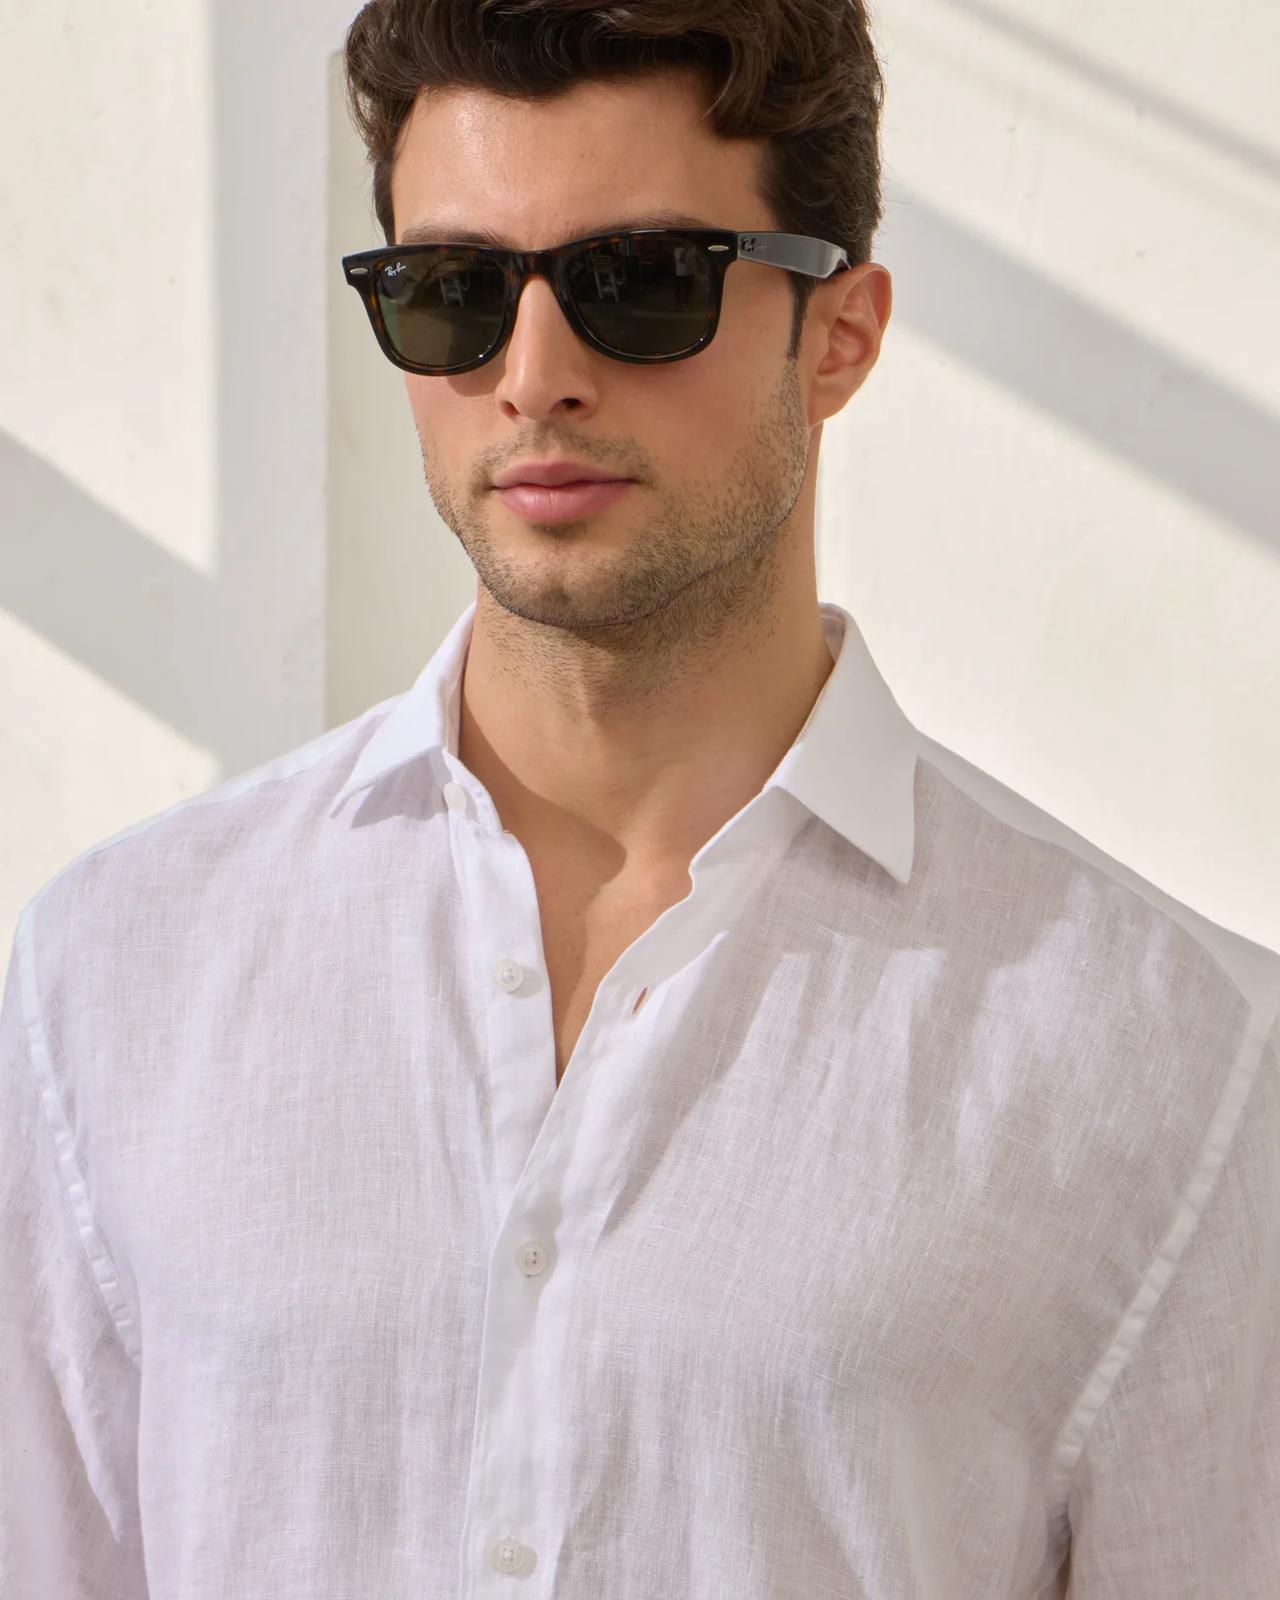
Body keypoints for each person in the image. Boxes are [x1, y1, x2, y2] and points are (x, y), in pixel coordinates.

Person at [2, 2, 1277, 1595]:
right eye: (453, 292)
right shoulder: (117, 975)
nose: (535, 378)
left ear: (840, 334)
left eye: (642, 282)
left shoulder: (1177, 1060)